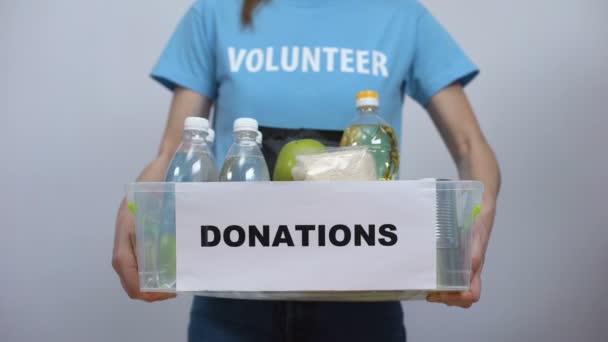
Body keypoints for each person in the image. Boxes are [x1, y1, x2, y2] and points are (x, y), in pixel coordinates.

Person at [112, 0, 501, 341]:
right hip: (234, 294)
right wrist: (135, 212)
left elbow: (470, 145)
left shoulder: (402, 15)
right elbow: (173, 149)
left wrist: (474, 228)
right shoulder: (215, 11)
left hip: (363, 292)